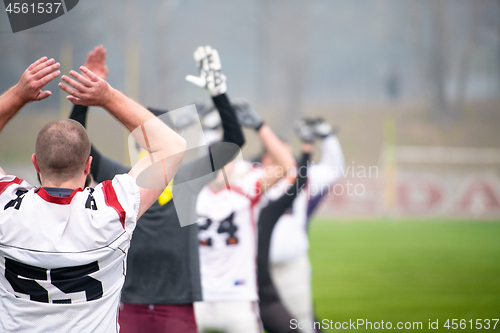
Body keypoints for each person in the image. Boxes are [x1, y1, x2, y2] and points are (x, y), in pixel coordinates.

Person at [0, 57, 186, 332]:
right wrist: (107, 97)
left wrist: (17, 95)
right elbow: (172, 145)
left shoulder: (6, 207)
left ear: (35, 163)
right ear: (89, 165)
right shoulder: (112, 210)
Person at [69, 45, 245, 333]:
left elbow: (234, 140)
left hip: (177, 302)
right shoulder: (123, 177)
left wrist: (218, 92)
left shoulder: (189, 176)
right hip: (128, 302)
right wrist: (87, 92)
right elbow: (77, 144)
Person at [193, 101, 296, 333]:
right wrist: (188, 128)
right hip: (198, 297)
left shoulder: (245, 188)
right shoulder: (190, 193)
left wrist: (261, 127)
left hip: (237, 297)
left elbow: (287, 165)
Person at [262, 117, 345, 333]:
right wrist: (210, 130)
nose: (286, 162)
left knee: (302, 321)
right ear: (265, 158)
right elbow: (215, 166)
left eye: (288, 156)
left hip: (292, 264)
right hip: (256, 269)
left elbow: (334, 168)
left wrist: (327, 136)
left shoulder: (303, 178)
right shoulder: (250, 178)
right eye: (278, 155)